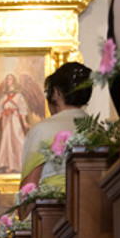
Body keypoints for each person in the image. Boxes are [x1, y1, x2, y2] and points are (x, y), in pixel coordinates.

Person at [19, 62, 94, 191]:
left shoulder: (42, 131)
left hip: (54, 210)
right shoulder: (99, 130)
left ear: (55, 93)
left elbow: (27, 198)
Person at [0, 73, 32, 173]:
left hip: (15, 120)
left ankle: (22, 164)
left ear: (13, 81)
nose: (8, 80)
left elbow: (22, 110)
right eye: (7, 79)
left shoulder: (19, 96)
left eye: (10, 78)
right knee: (6, 141)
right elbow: (0, 112)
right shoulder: (3, 98)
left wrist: (24, 122)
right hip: (6, 121)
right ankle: (8, 164)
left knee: (18, 139)